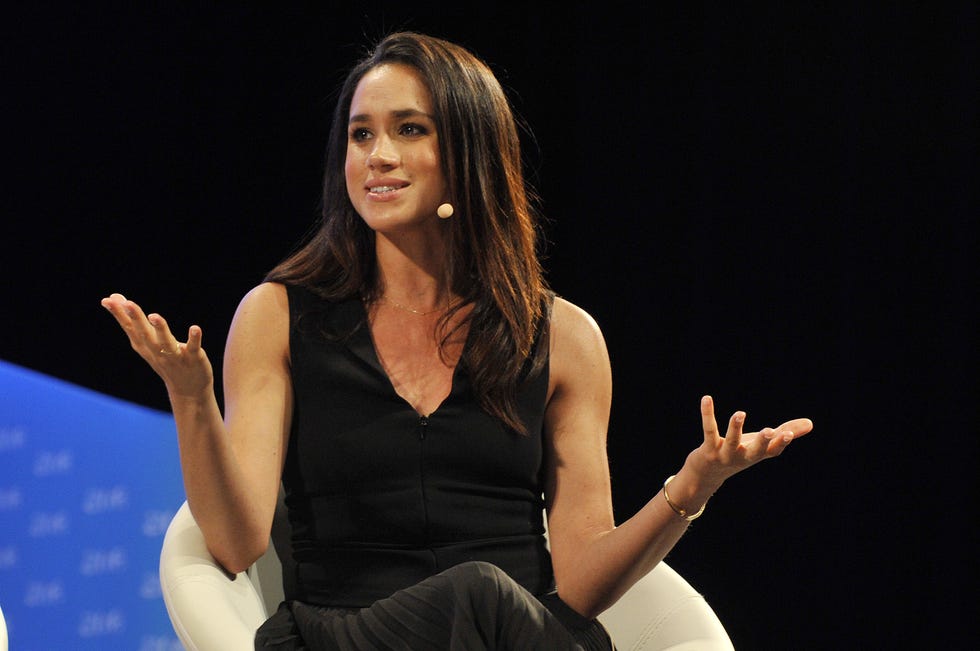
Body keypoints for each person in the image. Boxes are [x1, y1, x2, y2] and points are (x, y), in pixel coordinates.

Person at [102, 32, 812, 650]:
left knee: (498, 604)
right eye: (361, 134)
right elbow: (233, 543)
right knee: (479, 591)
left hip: (514, 635)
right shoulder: (279, 315)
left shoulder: (563, 337)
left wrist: (691, 488)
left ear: (468, 151)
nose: (378, 155)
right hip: (351, 633)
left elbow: (584, 582)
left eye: (410, 130)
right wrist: (191, 398)